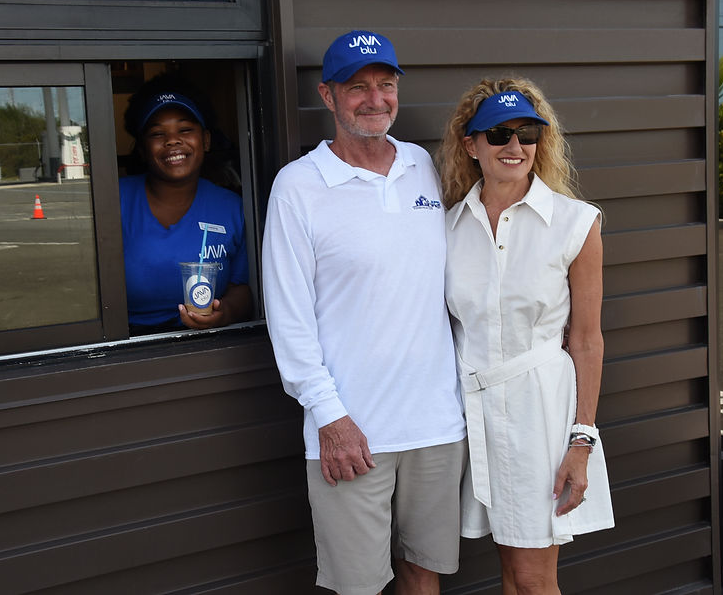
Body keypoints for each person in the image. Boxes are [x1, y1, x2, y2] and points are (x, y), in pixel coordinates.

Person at [262, 30, 466, 595]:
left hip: (436, 424)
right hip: (353, 431)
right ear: (328, 97)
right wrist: (330, 417)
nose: (375, 99)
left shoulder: (424, 167)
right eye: (357, 87)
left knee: (425, 572)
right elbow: (288, 314)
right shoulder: (298, 187)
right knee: (359, 586)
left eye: (386, 84)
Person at [437, 78, 615, 594]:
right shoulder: (448, 228)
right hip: (473, 414)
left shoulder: (575, 224)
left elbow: (586, 340)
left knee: (535, 577)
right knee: (510, 570)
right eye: (498, 134)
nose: (515, 147)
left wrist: (582, 440)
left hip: (541, 411)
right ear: (470, 145)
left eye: (527, 133)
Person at [119, 78, 252, 335]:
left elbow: (243, 288)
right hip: (127, 345)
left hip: (206, 343)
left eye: (185, 130)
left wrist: (225, 313)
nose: (172, 141)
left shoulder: (231, 207)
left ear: (206, 140)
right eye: (158, 134)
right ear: (143, 150)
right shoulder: (116, 200)